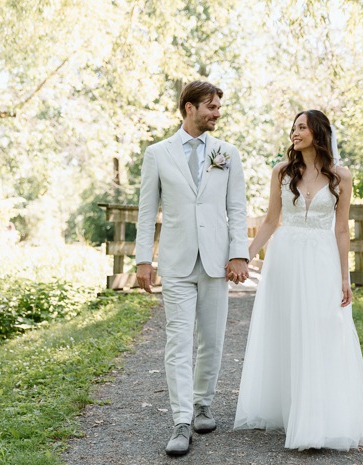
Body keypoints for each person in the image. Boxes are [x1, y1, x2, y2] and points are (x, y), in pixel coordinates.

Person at [234, 110, 363, 450]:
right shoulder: (281, 172)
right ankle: (293, 409)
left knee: (323, 329)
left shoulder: (341, 176)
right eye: (293, 128)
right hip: (286, 258)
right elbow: (270, 221)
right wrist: (244, 255)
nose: (294, 133)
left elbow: (341, 229)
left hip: (323, 259)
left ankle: (320, 416)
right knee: (289, 329)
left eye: (301, 127)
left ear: (318, 133)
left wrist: (345, 277)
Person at [136, 80, 250, 457]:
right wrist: (142, 261)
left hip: (217, 260)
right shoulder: (157, 153)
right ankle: (181, 420)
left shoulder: (227, 153)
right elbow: (146, 211)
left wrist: (239, 254)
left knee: (213, 339)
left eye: (218, 107)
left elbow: (237, 209)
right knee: (178, 340)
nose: (217, 113)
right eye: (211, 107)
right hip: (177, 260)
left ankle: (203, 404)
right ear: (189, 107)